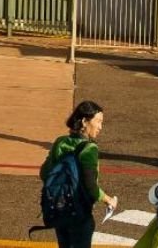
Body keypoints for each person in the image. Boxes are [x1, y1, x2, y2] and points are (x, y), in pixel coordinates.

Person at [39, 100, 118, 248]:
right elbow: (90, 186)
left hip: (60, 211)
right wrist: (108, 199)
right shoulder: (89, 149)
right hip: (80, 214)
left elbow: (44, 173)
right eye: (98, 122)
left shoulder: (60, 142)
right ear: (84, 121)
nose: (100, 127)